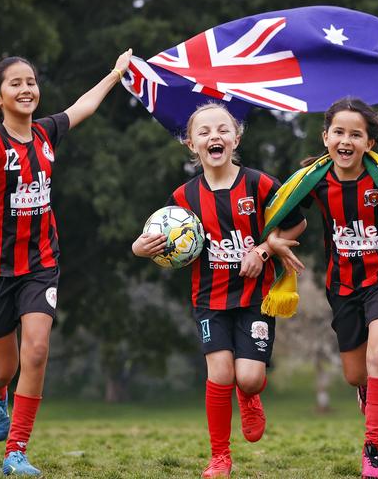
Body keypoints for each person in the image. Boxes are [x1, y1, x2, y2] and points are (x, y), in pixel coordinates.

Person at [0, 49, 132, 475]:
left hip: (40, 262)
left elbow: (81, 107)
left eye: (30, 82)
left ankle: (15, 451)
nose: (26, 89)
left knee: (36, 350)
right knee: (5, 367)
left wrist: (115, 73)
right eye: (14, 84)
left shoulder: (46, 133)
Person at [132, 102, 305, 479]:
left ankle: (251, 395)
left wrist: (262, 249)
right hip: (209, 299)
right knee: (220, 373)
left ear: (236, 137)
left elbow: (297, 223)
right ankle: (220, 458)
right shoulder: (181, 199)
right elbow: (159, 239)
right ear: (191, 144)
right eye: (204, 132)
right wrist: (140, 247)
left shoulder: (260, 184)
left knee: (249, 377)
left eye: (223, 129)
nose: (215, 136)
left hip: (256, 298)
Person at [266, 97, 378, 479]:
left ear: (369, 143)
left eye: (356, 134)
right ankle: (364, 390)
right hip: (342, 286)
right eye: (339, 132)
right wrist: (272, 241)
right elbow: (282, 218)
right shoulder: (315, 181)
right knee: (357, 374)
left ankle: (374, 451)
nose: (346, 140)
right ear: (325, 137)